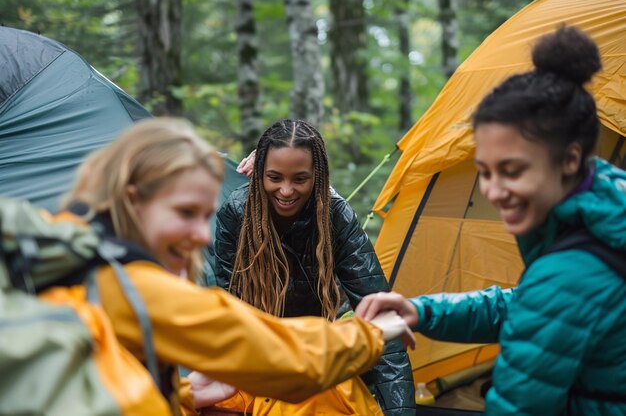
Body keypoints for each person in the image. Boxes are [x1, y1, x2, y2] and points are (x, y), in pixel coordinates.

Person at [59, 117, 413, 416]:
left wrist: (185, 396)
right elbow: (261, 345)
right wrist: (373, 333)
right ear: (134, 201)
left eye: (203, 216)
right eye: (185, 213)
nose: (201, 236)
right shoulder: (132, 287)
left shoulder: (65, 252)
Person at [355, 25, 626, 416]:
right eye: (485, 171)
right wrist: (422, 311)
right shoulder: (606, 200)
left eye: (512, 170)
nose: (494, 191)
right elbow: (530, 304)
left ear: (569, 159)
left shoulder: (570, 273)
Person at [213, 119, 415, 415]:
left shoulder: (335, 216)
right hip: (258, 349)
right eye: (274, 177)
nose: (285, 191)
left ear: (317, 177)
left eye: (299, 179)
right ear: (258, 175)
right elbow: (228, 309)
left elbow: (381, 316)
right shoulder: (237, 212)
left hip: (318, 350)